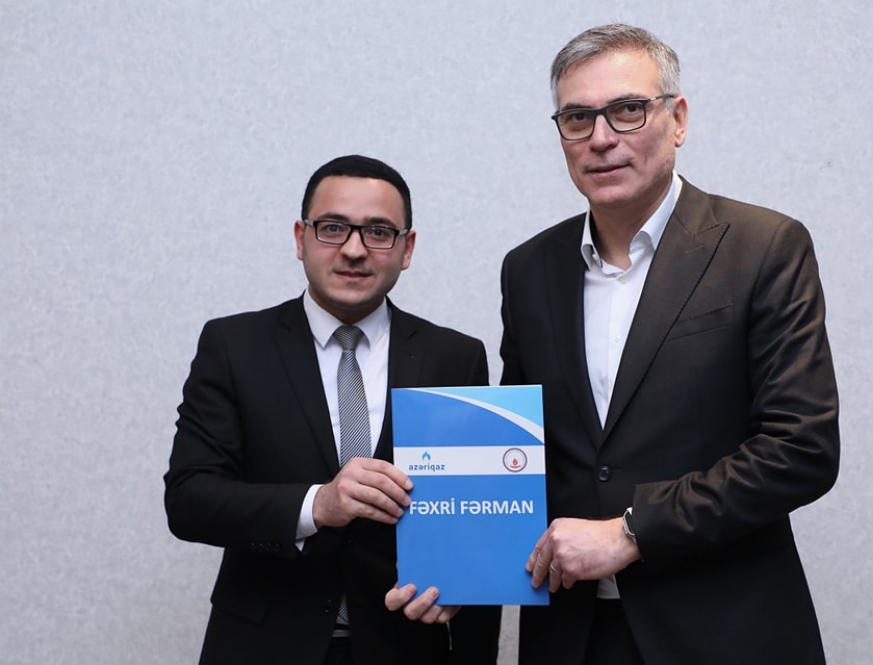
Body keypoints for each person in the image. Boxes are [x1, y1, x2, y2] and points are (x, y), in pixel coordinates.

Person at [391, 23, 839, 664]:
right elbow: (525, 452)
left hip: (722, 629)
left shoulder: (762, 247)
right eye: (577, 118)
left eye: (628, 110)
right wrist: (469, 564)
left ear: (677, 120)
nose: (601, 138)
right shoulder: (529, 269)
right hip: (571, 635)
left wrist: (632, 532)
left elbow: (801, 450)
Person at [164, 154, 501, 665]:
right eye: (333, 228)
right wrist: (316, 504)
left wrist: (464, 581)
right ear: (300, 238)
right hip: (265, 646)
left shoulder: (455, 356)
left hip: (407, 646)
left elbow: (479, 507)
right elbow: (189, 499)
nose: (354, 249)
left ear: (407, 248)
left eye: (379, 232)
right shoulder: (234, 346)